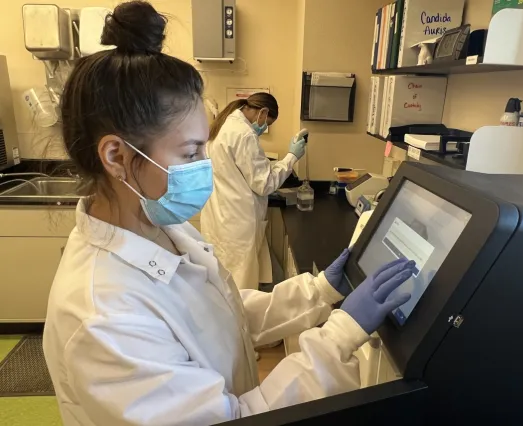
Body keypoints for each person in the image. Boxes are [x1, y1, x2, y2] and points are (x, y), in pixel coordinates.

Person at [42, 2, 414, 425]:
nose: (205, 163)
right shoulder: (103, 318)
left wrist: (318, 292)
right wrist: (341, 332)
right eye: (190, 152)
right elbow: (233, 418)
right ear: (116, 155)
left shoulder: (159, 230)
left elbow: (224, 318)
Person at [201, 93, 306, 290]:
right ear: (263, 112)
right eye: (268, 122)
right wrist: (291, 157)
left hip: (220, 217)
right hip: (238, 223)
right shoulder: (244, 134)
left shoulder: (224, 125)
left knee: (225, 283)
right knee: (241, 289)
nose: (265, 127)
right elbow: (264, 183)